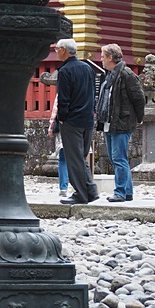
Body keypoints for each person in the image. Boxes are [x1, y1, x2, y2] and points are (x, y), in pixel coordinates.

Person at [97, 43, 146, 202]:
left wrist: (139, 117)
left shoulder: (126, 74)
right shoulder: (110, 74)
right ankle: (127, 191)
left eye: (103, 56)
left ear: (110, 58)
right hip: (109, 121)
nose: (101, 60)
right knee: (115, 158)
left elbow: (138, 98)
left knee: (119, 158)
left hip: (122, 122)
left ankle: (120, 192)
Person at [55, 39, 99, 205]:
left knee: (74, 159)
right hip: (87, 118)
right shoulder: (87, 68)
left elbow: (63, 99)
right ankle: (90, 190)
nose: (56, 51)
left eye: (57, 49)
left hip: (72, 120)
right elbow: (93, 93)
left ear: (64, 50)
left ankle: (80, 193)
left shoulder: (65, 71)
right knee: (81, 157)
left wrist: (62, 118)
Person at [48, 94, 69, 197]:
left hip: (63, 125)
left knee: (63, 158)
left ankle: (63, 187)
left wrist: (51, 127)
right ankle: (80, 186)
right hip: (78, 125)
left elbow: (55, 110)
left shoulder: (62, 90)